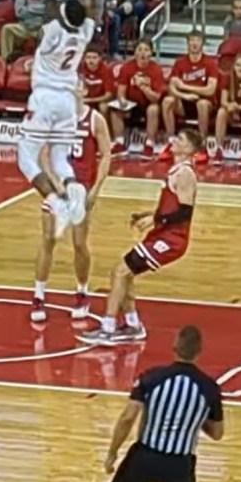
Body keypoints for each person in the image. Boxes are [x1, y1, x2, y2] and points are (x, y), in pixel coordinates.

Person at [65, 325, 223, 482]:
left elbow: (128, 417)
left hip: (144, 457)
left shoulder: (152, 378)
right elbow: (217, 433)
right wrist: (196, 417)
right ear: (199, 351)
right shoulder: (209, 388)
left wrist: (112, 452)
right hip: (179, 463)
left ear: (174, 348)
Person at [81, 130, 203, 345]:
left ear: (190, 149)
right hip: (163, 234)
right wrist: (148, 214)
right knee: (125, 273)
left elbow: (185, 212)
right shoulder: (176, 171)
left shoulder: (185, 174)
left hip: (171, 239)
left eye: (180, 140)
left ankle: (108, 327)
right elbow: (170, 207)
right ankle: (132, 324)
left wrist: (156, 220)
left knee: (119, 271)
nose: (174, 140)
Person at [16, 0, 96, 238]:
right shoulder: (85, 32)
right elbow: (91, 5)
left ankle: (57, 203)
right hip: (67, 102)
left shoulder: (53, 30)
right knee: (61, 160)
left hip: (46, 97)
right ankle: (75, 193)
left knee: (27, 159)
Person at [30, 83, 111, 323]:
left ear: (84, 91)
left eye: (76, 87)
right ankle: (38, 295)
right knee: (48, 239)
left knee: (79, 244)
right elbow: (43, 154)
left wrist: (96, 189)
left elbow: (106, 154)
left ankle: (82, 291)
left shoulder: (95, 119)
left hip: (80, 189)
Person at [160, 32, 219, 164]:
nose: (194, 43)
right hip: (183, 101)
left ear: (202, 44)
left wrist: (186, 87)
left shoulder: (210, 63)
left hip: (204, 101)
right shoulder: (180, 62)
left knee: (202, 104)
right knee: (167, 101)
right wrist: (184, 95)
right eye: (192, 40)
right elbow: (172, 87)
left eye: (197, 40)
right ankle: (171, 143)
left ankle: (202, 146)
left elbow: (210, 90)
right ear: (187, 43)